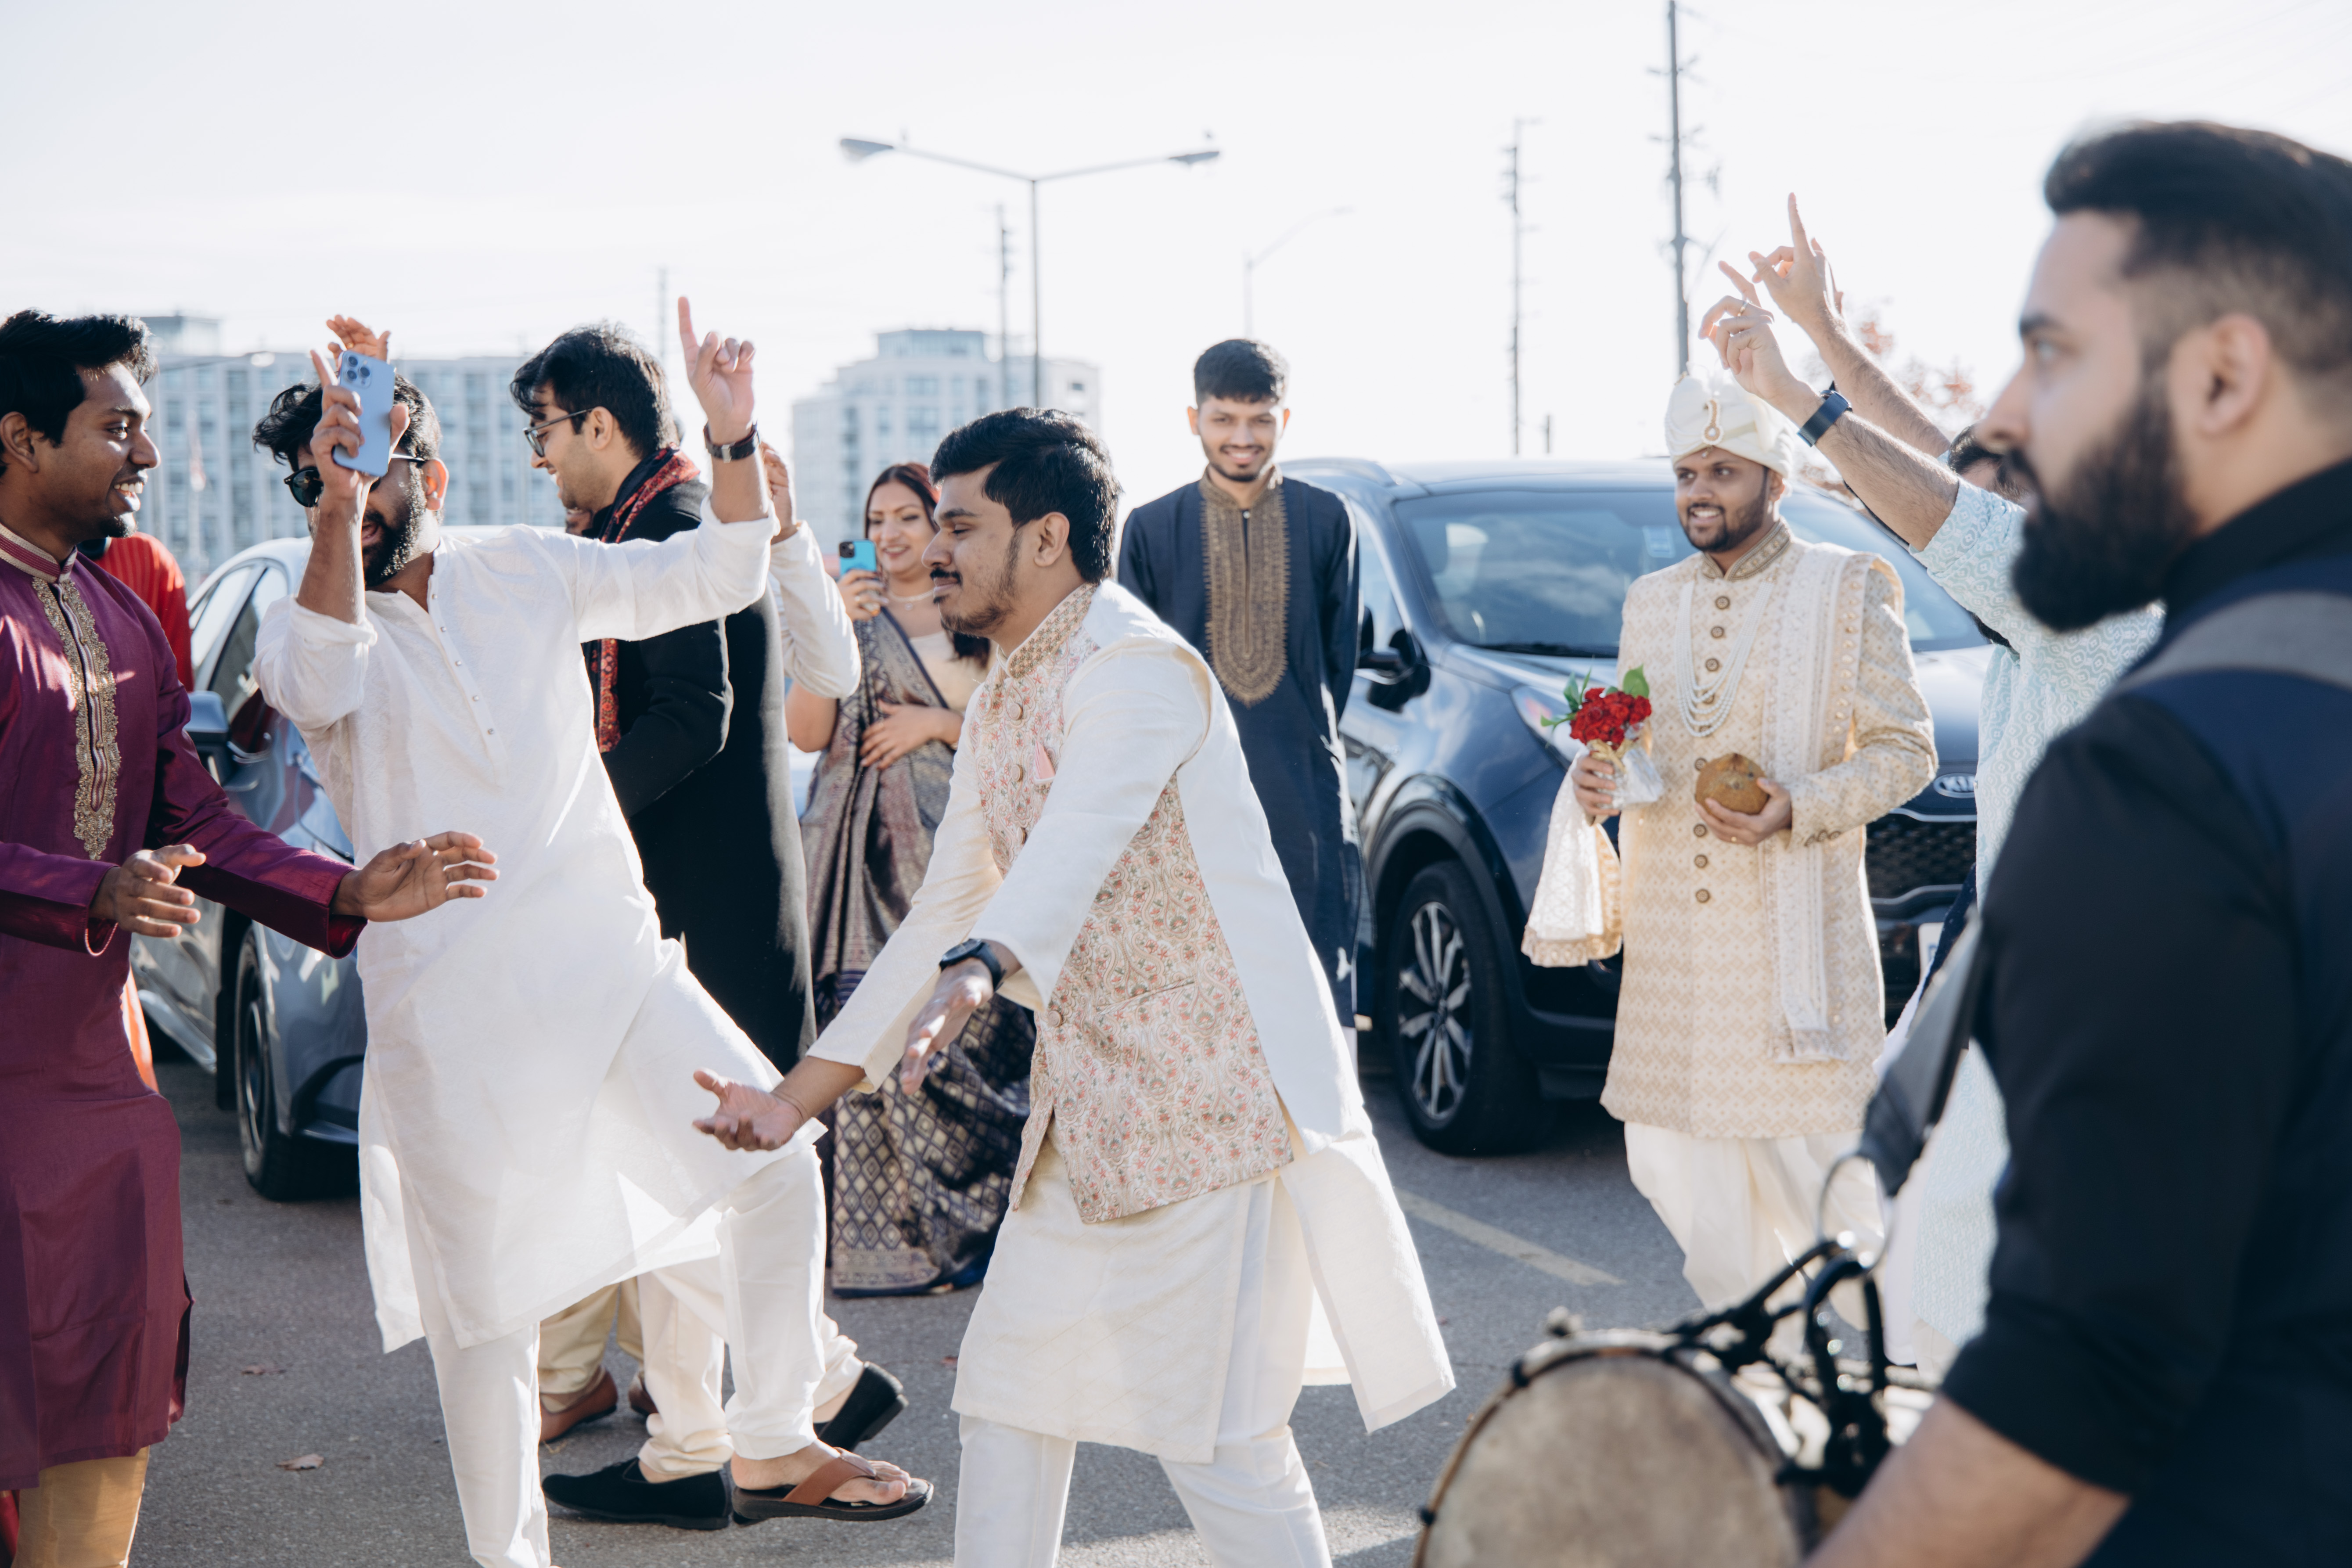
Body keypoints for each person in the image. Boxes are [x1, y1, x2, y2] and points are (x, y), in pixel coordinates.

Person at [686, 408, 1453, 1567]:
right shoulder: (1006, 688)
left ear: (1045, 537)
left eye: (960, 526)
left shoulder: (1135, 668)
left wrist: (984, 965)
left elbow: (1075, 841)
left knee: (1219, 1441)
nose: (934, 550)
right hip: (1085, 1115)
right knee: (1008, 1401)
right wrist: (794, 1101)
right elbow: (943, 910)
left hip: (1213, 1112)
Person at [249, 300, 928, 1568]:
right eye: (316, 480)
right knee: (490, 1330)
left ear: (430, 475)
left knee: (774, 1163)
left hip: (611, 972)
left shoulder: (527, 564)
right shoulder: (304, 623)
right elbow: (323, 679)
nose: (347, 495)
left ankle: (769, 1437)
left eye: (372, 469)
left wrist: (733, 439)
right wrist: (338, 502)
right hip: (453, 1019)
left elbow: (717, 575)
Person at [1811, 121, 2352, 1568]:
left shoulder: (2161, 775)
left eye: (2049, 356)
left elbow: (2079, 1383)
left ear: (2221, 376)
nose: (2005, 410)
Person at [0, 310, 494, 1568]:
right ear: (20, 438)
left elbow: (199, 820)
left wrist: (347, 890)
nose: (147, 456)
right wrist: (91, 890)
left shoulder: (121, 618)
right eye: (116, 428)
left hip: (98, 1088)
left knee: (108, 1387)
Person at [1699, 201, 2164, 1372]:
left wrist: (1797, 397)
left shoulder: (2105, 606)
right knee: (1930, 1263)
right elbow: (1950, 481)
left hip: (2082, 1022)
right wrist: (1823, 333)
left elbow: (1950, 516)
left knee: (1974, 1300)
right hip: (2010, 983)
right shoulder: (2079, 575)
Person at [495, 320, 899, 1483]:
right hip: (696, 895)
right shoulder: (651, 521)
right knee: (671, 1177)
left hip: (704, 906)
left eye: (543, 431)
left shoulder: (672, 525)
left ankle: (760, 1412)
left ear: (599, 425)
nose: (538, 457)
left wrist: (564, 819)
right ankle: (704, 1432)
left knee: (700, 1174)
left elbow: (691, 716)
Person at [1528, 370, 1937, 1338]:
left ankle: (1927, 1373)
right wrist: (1598, 782)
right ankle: (1774, 1372)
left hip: (1793, 953)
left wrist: (1801, 804)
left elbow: (1907, 752)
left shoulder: (1846, 588)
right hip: (1677, 962)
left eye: (1722, 470)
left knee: (1833, 1188)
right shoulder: (1650, 601)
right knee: (1673, 1165)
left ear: (1774, 480)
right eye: (1686, 474)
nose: (1699, 492)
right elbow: (1641, 755)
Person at [787, 459, 1033, 1298]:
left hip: (959, 858)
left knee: (957, 1029)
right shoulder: (847, 616)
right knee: (864, 1023)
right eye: (876, 520)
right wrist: (831, 631)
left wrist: (935, 722)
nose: (890, 535)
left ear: (938, 527)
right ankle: (875, 1245)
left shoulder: (975, 612)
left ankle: (967, 1229)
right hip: (856, 866)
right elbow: (807, 733)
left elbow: (1017, 729)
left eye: (907, 518)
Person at [1116, 340, 1363, 1036]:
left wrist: (1302, 741)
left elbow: (1337, 660)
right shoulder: (1151, 528)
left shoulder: (1328, 519)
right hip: (1191, 788)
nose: (1242, 438)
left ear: (1284, 418)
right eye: (1224, 420)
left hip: (1303, 782)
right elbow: (1138, 674)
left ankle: (1316, 1103)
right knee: (1201, 969)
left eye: (1259, 420)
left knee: (1312, 964)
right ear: (1193, 419)